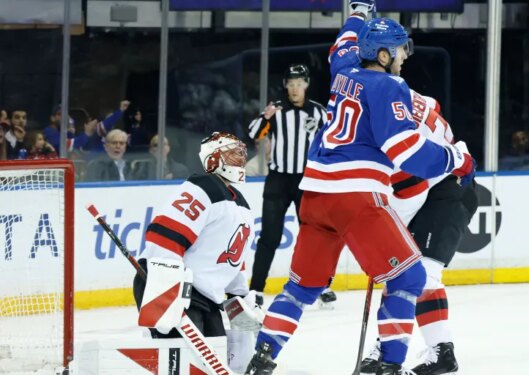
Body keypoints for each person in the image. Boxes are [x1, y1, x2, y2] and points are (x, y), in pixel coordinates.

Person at [245, 1, 475, 374]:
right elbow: (407, 152)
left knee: (302, 287)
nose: (403, 56)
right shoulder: (391, 86)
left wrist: (357, 13)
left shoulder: (343, 72)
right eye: (399, 49)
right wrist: (457, 159)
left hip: (315, 195)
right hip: (355, 195)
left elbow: (342, 43)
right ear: (383, 54)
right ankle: (391, 365)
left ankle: (262, 356)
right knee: (411, 277)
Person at [359, 90, 478, 374]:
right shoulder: (397, 95)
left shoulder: (386, 128)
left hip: (447, 188)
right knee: (401, 274)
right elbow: (434, 104)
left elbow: (411, 190)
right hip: (435, 186)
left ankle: (442, 353)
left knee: (421, 275)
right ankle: (389, 345)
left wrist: (384, 238)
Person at [133, 132, 262, 373]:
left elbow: (232, 262)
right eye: (231, 154)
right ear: (213, 159)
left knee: (213, 366)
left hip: (206, 300)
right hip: (176, 291)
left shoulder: (242, 205)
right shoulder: (202, 188)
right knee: (181, 367)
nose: (240, 159)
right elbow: (163, 238)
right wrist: (167, 294)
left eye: (240, 154)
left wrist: (242, 298)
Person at [246, 63, 333, 307]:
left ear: (306, 85)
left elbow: (333, 141)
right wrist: (265, 116)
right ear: (286, 86)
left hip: (307, 181)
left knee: (314, 236)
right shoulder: (277, 110)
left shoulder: (319, 112)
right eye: (291, 84)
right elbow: (254, 133)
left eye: (299, 84)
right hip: (278, 180)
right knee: (270, 236)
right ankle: (256, 290)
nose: (294, 89)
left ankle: (321, 286)